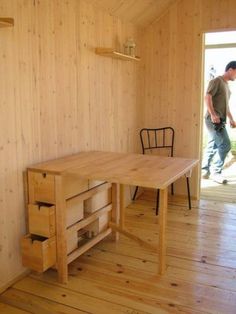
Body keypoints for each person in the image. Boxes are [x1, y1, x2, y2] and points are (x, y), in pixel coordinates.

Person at [202, 61, 236, 184]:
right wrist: (213, 114)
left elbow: (225, 106)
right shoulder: (217, 81)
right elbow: (207, 97)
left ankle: (204, 170)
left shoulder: (227, 86)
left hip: (220, 120)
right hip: (213, 120)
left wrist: (231, 119)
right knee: (225, 144)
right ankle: (216, 172)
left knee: (213, 145)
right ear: (231, 69)